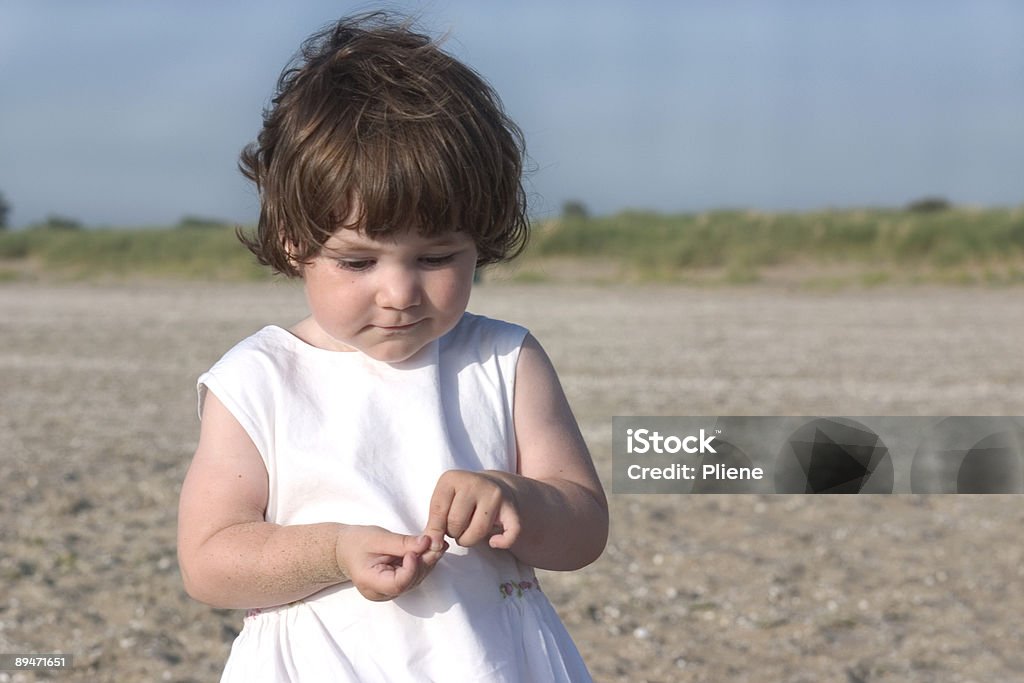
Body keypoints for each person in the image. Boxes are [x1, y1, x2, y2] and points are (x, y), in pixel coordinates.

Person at [176, 12, 608, 682]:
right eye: (358, 262)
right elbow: (209, 559)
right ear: (294, 239)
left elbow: (583, 524)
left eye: (436, 256)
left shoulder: (504, 358)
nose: (400, 291)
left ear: (480, 237)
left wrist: (513, 498)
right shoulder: (258, 379)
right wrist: (335, 550)